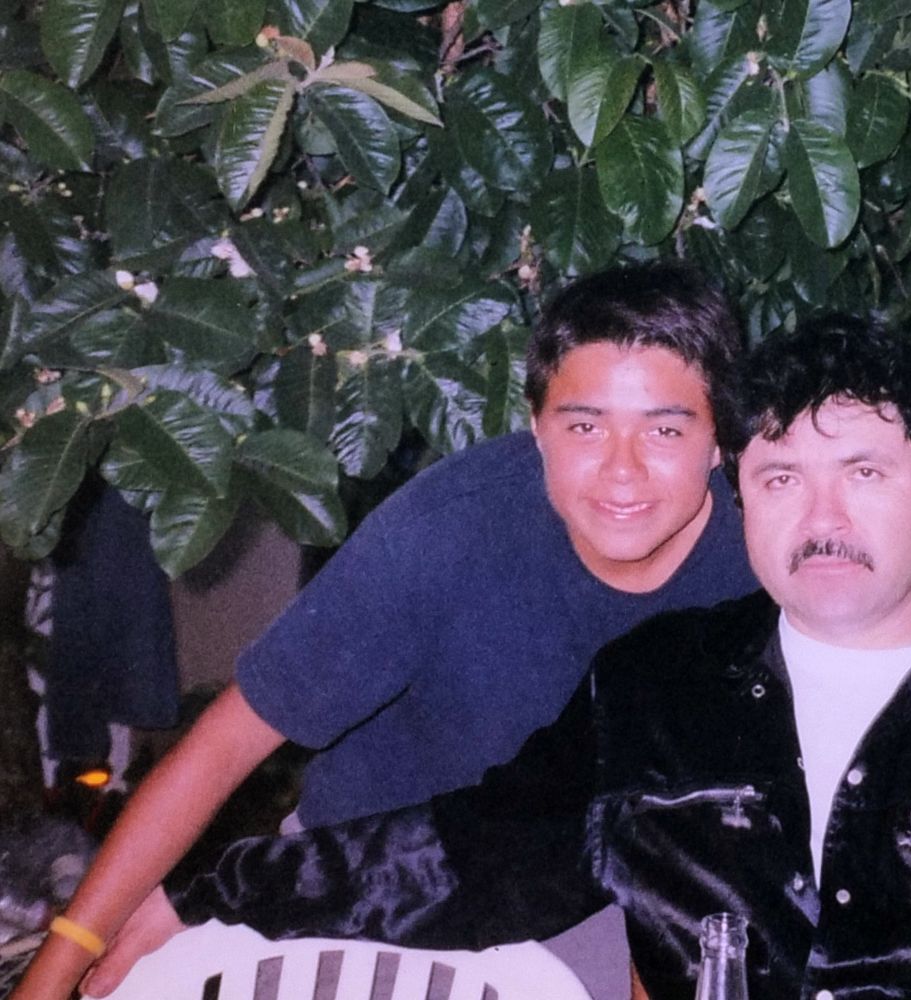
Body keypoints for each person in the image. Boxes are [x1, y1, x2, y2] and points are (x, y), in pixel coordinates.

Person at [91, 315, 911, 997]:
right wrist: (205, 898)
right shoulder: (656, 690)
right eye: (781, 478)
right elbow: (467, 854)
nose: (821, 518)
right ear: (741, 498)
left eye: (864, 473)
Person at [12, 262, 758, 1000]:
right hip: (350, 876)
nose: (622, 471)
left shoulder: (764, 561)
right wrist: (60, 964)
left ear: (721, 438)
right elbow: (226, 744)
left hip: (582, 900)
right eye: (585, 426)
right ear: (536, 428)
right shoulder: (447, 527)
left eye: (665, 429)